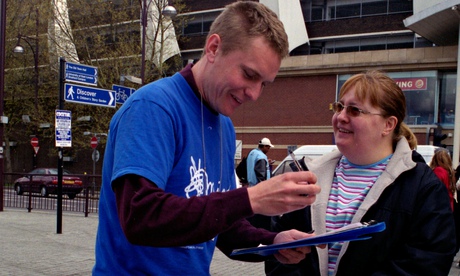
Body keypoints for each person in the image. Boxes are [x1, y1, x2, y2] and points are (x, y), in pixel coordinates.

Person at [92, 2, 321, 275]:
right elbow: (140, 217)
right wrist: (250, 199)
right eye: (249, 74)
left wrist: (273, 242)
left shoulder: (224, 126)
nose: (254, 94)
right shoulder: (153, 108)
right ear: (213, 48)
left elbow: (218, 224)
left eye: (263, 83)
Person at [265, 70, 456, 275]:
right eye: (339, 107)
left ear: (388, 124)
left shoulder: (423, 187)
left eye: (354, 110)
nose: (341, 117)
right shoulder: (307, 176)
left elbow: (426, 264)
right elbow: (279, 253)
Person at [246, 137, 275, 229]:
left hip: (251, 186)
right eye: (268, 147)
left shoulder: (252, 153)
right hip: (259, 188)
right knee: (260, 215)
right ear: (264, 146)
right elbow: (261, 174)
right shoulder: (261, 157)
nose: (268, 149)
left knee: (252, 213)